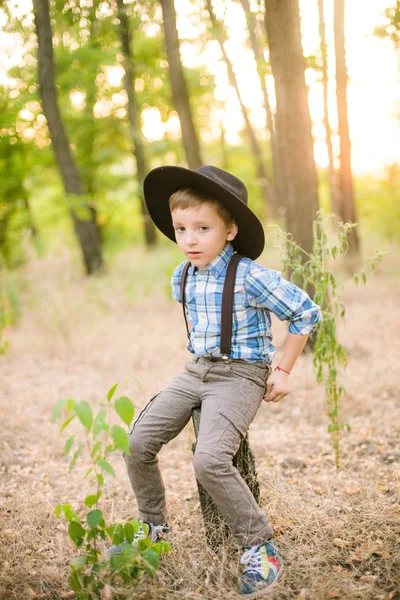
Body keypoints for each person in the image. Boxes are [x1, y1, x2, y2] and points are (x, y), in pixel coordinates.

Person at [122, 165, 322, 597]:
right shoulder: (183, 276)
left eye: (202, 228)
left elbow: (305, 312)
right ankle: (154, 528)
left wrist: (283, 370)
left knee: (209, 459)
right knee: (138, 442)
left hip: (240, 375)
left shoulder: (251, 276)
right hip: (196, 370)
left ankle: (259, 548)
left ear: (230, 230)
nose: (189, 239)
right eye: (181, 229)